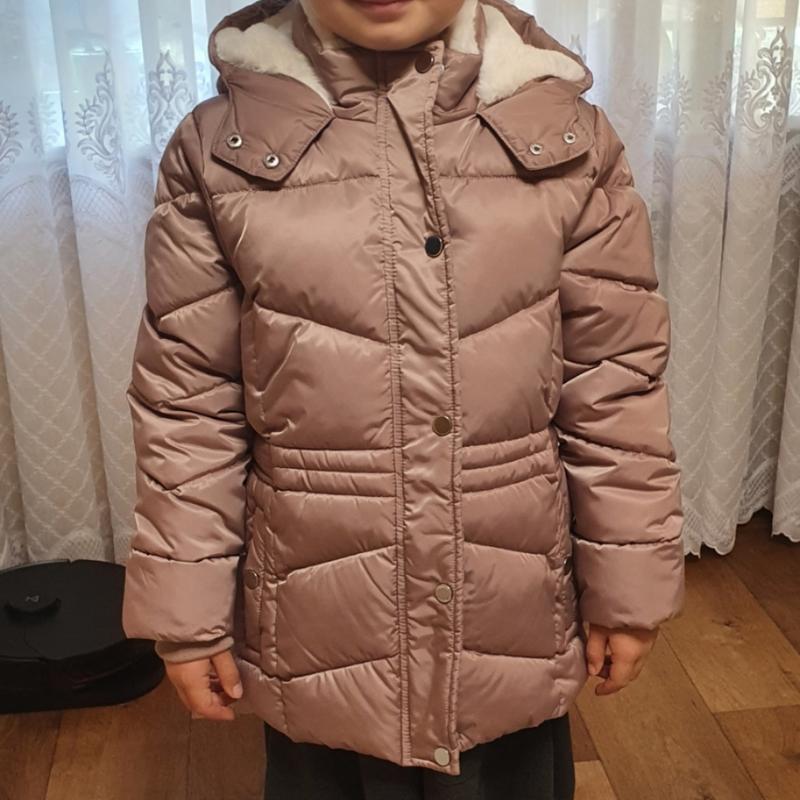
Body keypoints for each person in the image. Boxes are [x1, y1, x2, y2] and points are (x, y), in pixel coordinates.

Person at [121, 0, 686, 797]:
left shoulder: (567, 137)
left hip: (505, 613)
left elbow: (615, 385)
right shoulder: (219, 148)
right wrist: (187, 611)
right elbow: (189, 402)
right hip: (321, 622)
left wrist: (627, 586)